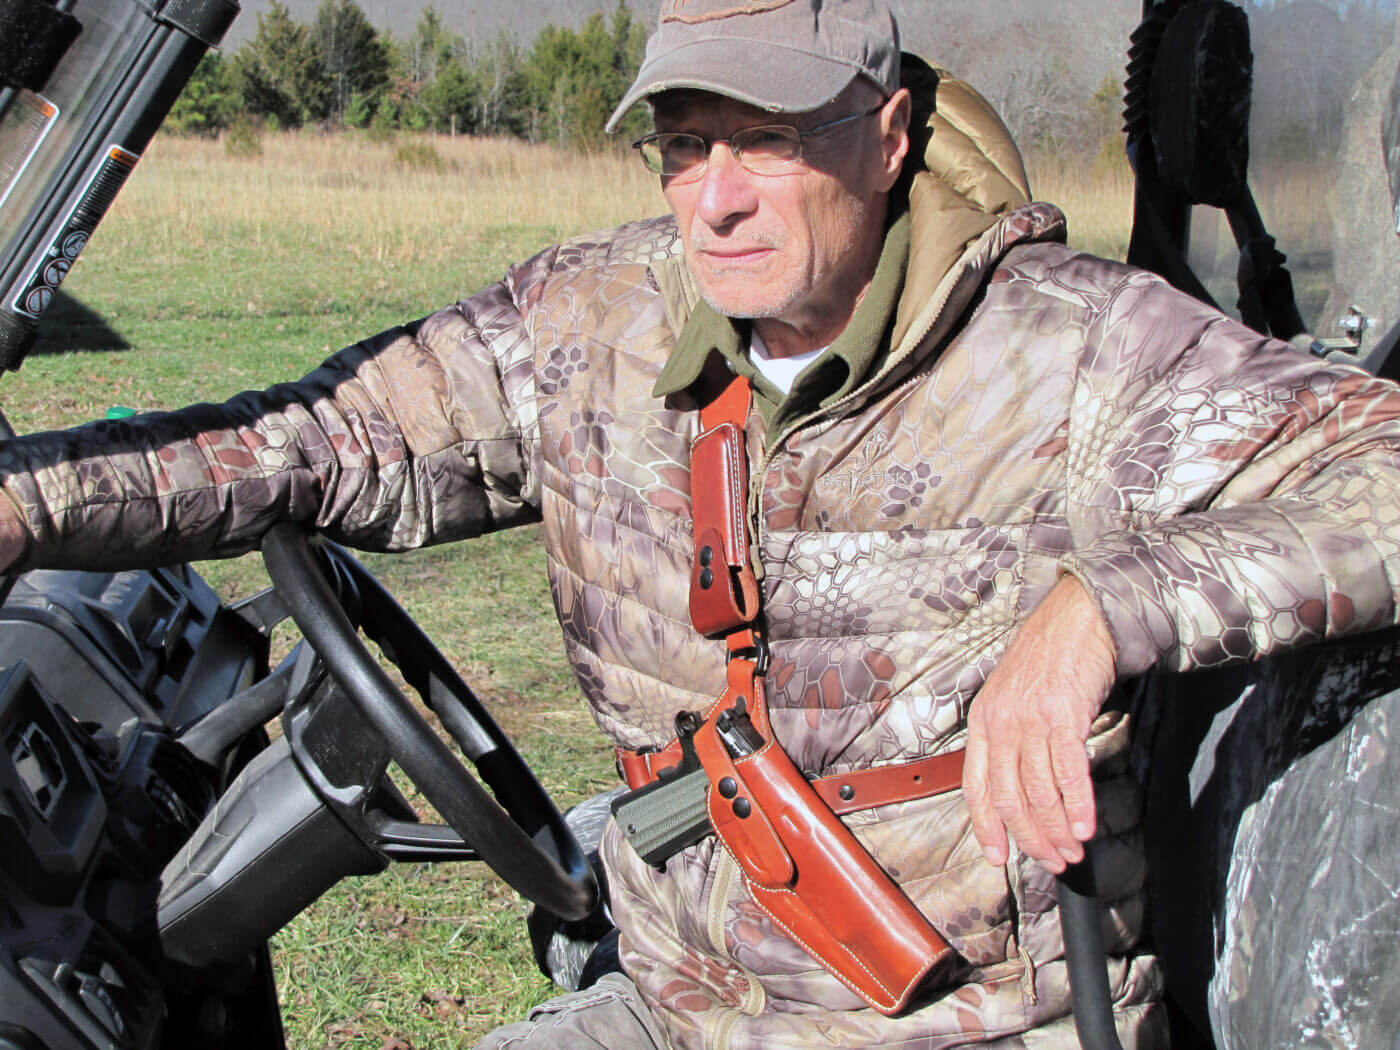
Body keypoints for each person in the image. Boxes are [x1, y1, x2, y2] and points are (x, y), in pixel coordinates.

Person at [1, 0, 1398, 1046]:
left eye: (769, 142)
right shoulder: (588, 329)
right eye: (684, 146)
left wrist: (1106, 608)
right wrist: (23, 505)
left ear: (891, 130)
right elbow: (304, 441)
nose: (715, 197)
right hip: (675, 1003)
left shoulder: (1084, 355)